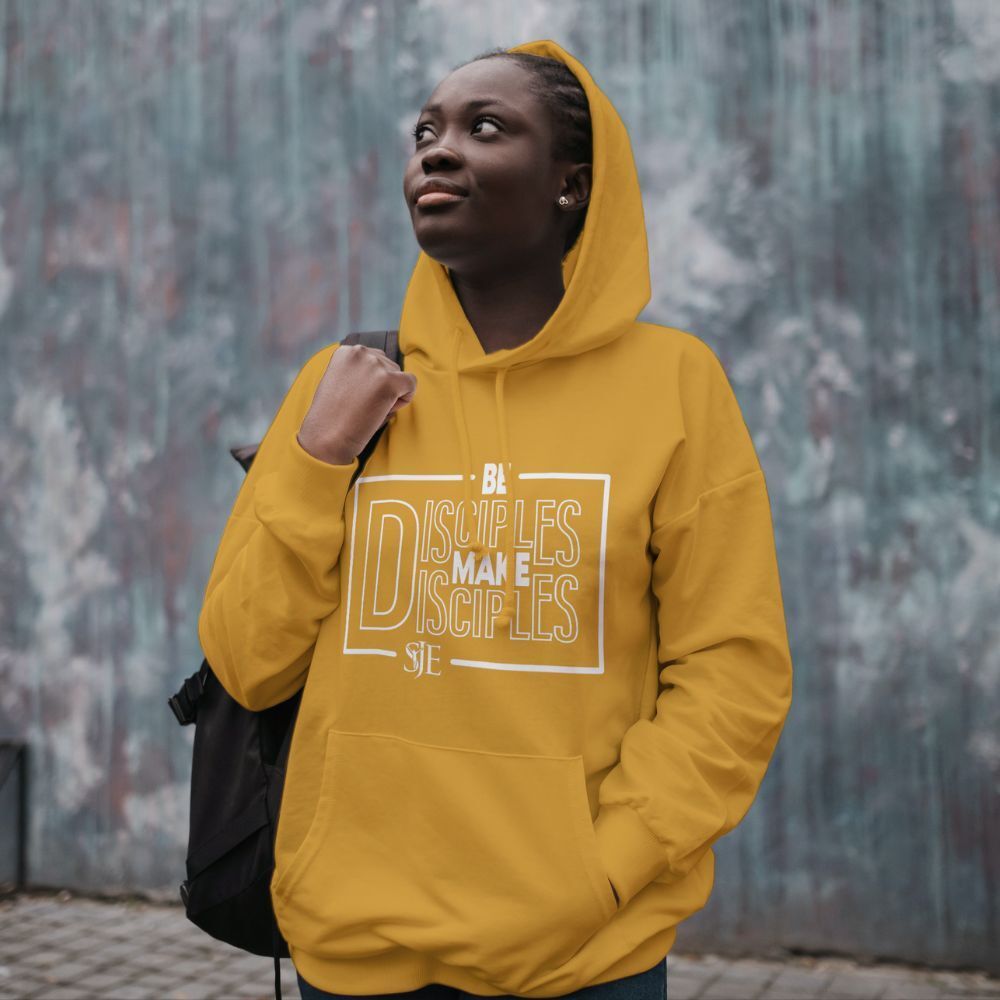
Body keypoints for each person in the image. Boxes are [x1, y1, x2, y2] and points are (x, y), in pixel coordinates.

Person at [198, 37, 793, 1000]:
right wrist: (316, 460)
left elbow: (733, 668)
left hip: (582, 956)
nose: (436, 149)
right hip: (356, 948)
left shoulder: (675, 385)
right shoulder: (341, 384)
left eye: (485, 127)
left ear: (571, 185)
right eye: (425, 131)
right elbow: (247, 657)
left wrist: (604, 865)